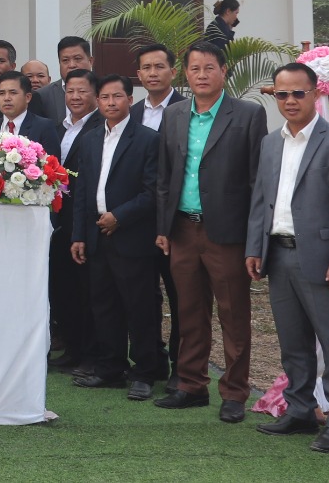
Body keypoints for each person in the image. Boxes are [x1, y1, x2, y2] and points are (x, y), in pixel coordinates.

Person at [246, 64, 329, 454]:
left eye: (299, 93)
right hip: (278, 255)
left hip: (323, 259)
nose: (290, 101)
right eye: (282, 94)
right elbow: (261, 201)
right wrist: (254, 248)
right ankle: (299, 410)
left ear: (315, 94)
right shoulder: (270, 142)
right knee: (292, 342)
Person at [153, 42, 267, 422]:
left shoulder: (248, 115)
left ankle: (234, 393)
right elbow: (165, 177)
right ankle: (191, 385)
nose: (201, 75)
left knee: (233, 315)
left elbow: (257, 181)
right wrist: (163, 227)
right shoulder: (174, 115)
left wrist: (255, 239)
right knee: (189, 312)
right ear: (185, 73)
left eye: (209, 68)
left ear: (223, 71)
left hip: (228, 234)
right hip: (183, 230)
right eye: (195, 68)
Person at [70, 74, 161, 401]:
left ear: (130, 100)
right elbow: (82, 190)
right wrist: (79, 234)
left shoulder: (148, 139)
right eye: (105, 97)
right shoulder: (90, 139)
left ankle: (145, 372)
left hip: (131, 236)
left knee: (139, 307)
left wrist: (119, 216)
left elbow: (152, 191)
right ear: (98, 101)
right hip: (96, 235)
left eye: (117, 96)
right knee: (104, 305)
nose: (110, 102)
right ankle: (111, 367)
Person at [133, 42, 185, 385]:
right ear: (138, 75)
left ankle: (182, 368)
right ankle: (150, 363)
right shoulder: (131, 111)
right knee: (144, 297)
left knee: (181, 297)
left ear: (173, 71)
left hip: (176, 219)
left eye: (159, 67)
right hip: (139, 220)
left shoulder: (187, 109)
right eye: (146, 68)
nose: (153, 73)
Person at [49, 68, 101, 372]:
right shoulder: (59, 127)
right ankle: (72, 348)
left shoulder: (100, 126)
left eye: (82, 91)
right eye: (70, 91)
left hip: (87, 220)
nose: (76, 97)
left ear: (95, 94)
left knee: (88, 290)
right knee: (64, 287)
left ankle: (91, 354)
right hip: (59, 220)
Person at [0, 70, 60, 154]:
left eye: (13, 93)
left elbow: (52, 161)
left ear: (28, 97)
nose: (6, 98)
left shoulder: (44, 127)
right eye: (2, 93)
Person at [34, 36, 94, 125]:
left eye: (77, 59)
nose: (72, 65)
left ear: (90, 61)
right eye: (65, 60)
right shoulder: (42, 95)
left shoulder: (104, 91)